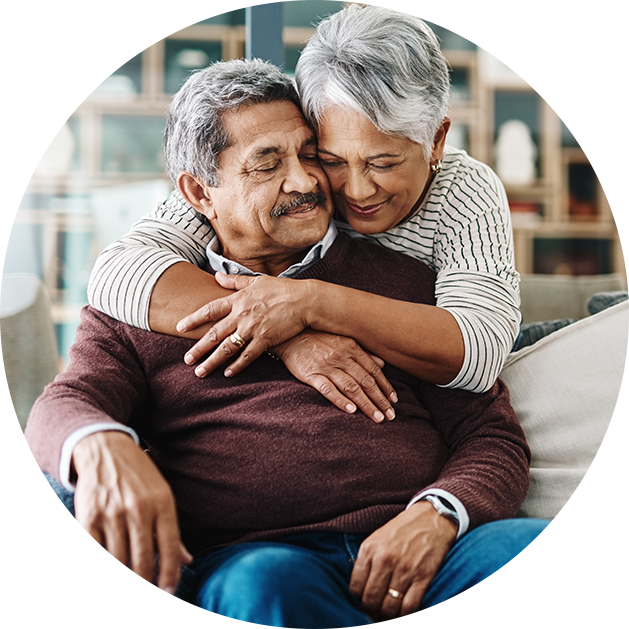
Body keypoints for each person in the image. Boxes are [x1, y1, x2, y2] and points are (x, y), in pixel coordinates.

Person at [8, 59, 629, 629]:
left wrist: (439, 513)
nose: (305, 181)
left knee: (547, 555)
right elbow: (60, 408)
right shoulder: (142, 305)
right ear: (199, 193)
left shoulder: (400, 284)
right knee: (266, 586)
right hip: (264, 557)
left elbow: (491, 433)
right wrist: (103, 449)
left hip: (424, 546)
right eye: (267, 162)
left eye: (310, 155)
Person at [87, 5, 520, 427]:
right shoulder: (283, 184)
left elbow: (479, 353)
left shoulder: (465, 192)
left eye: (383, 163)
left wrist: (311, 302)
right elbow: (117, 273)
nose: (355, 190)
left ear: (437, 141)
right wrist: (289, 334)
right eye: (329, 159)